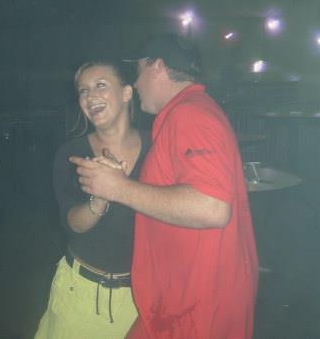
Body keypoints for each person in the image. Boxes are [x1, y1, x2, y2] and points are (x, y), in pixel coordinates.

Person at [72, 35, 258, 339]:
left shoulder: (190, 115)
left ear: (157, 66)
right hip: (181, 302)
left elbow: (212, 207)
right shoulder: (186, 114)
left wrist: (118, 188)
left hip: (197, 309)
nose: (136, 83)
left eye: (139, 71)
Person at [34, 59, 150, 339]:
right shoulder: (71, 153)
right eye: (83, 91)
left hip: (143, 299)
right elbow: (72, 223)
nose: (90, 96)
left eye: (100, 85)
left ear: (126, 92)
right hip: (81, 295)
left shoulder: (157, 147)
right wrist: (98, 200)